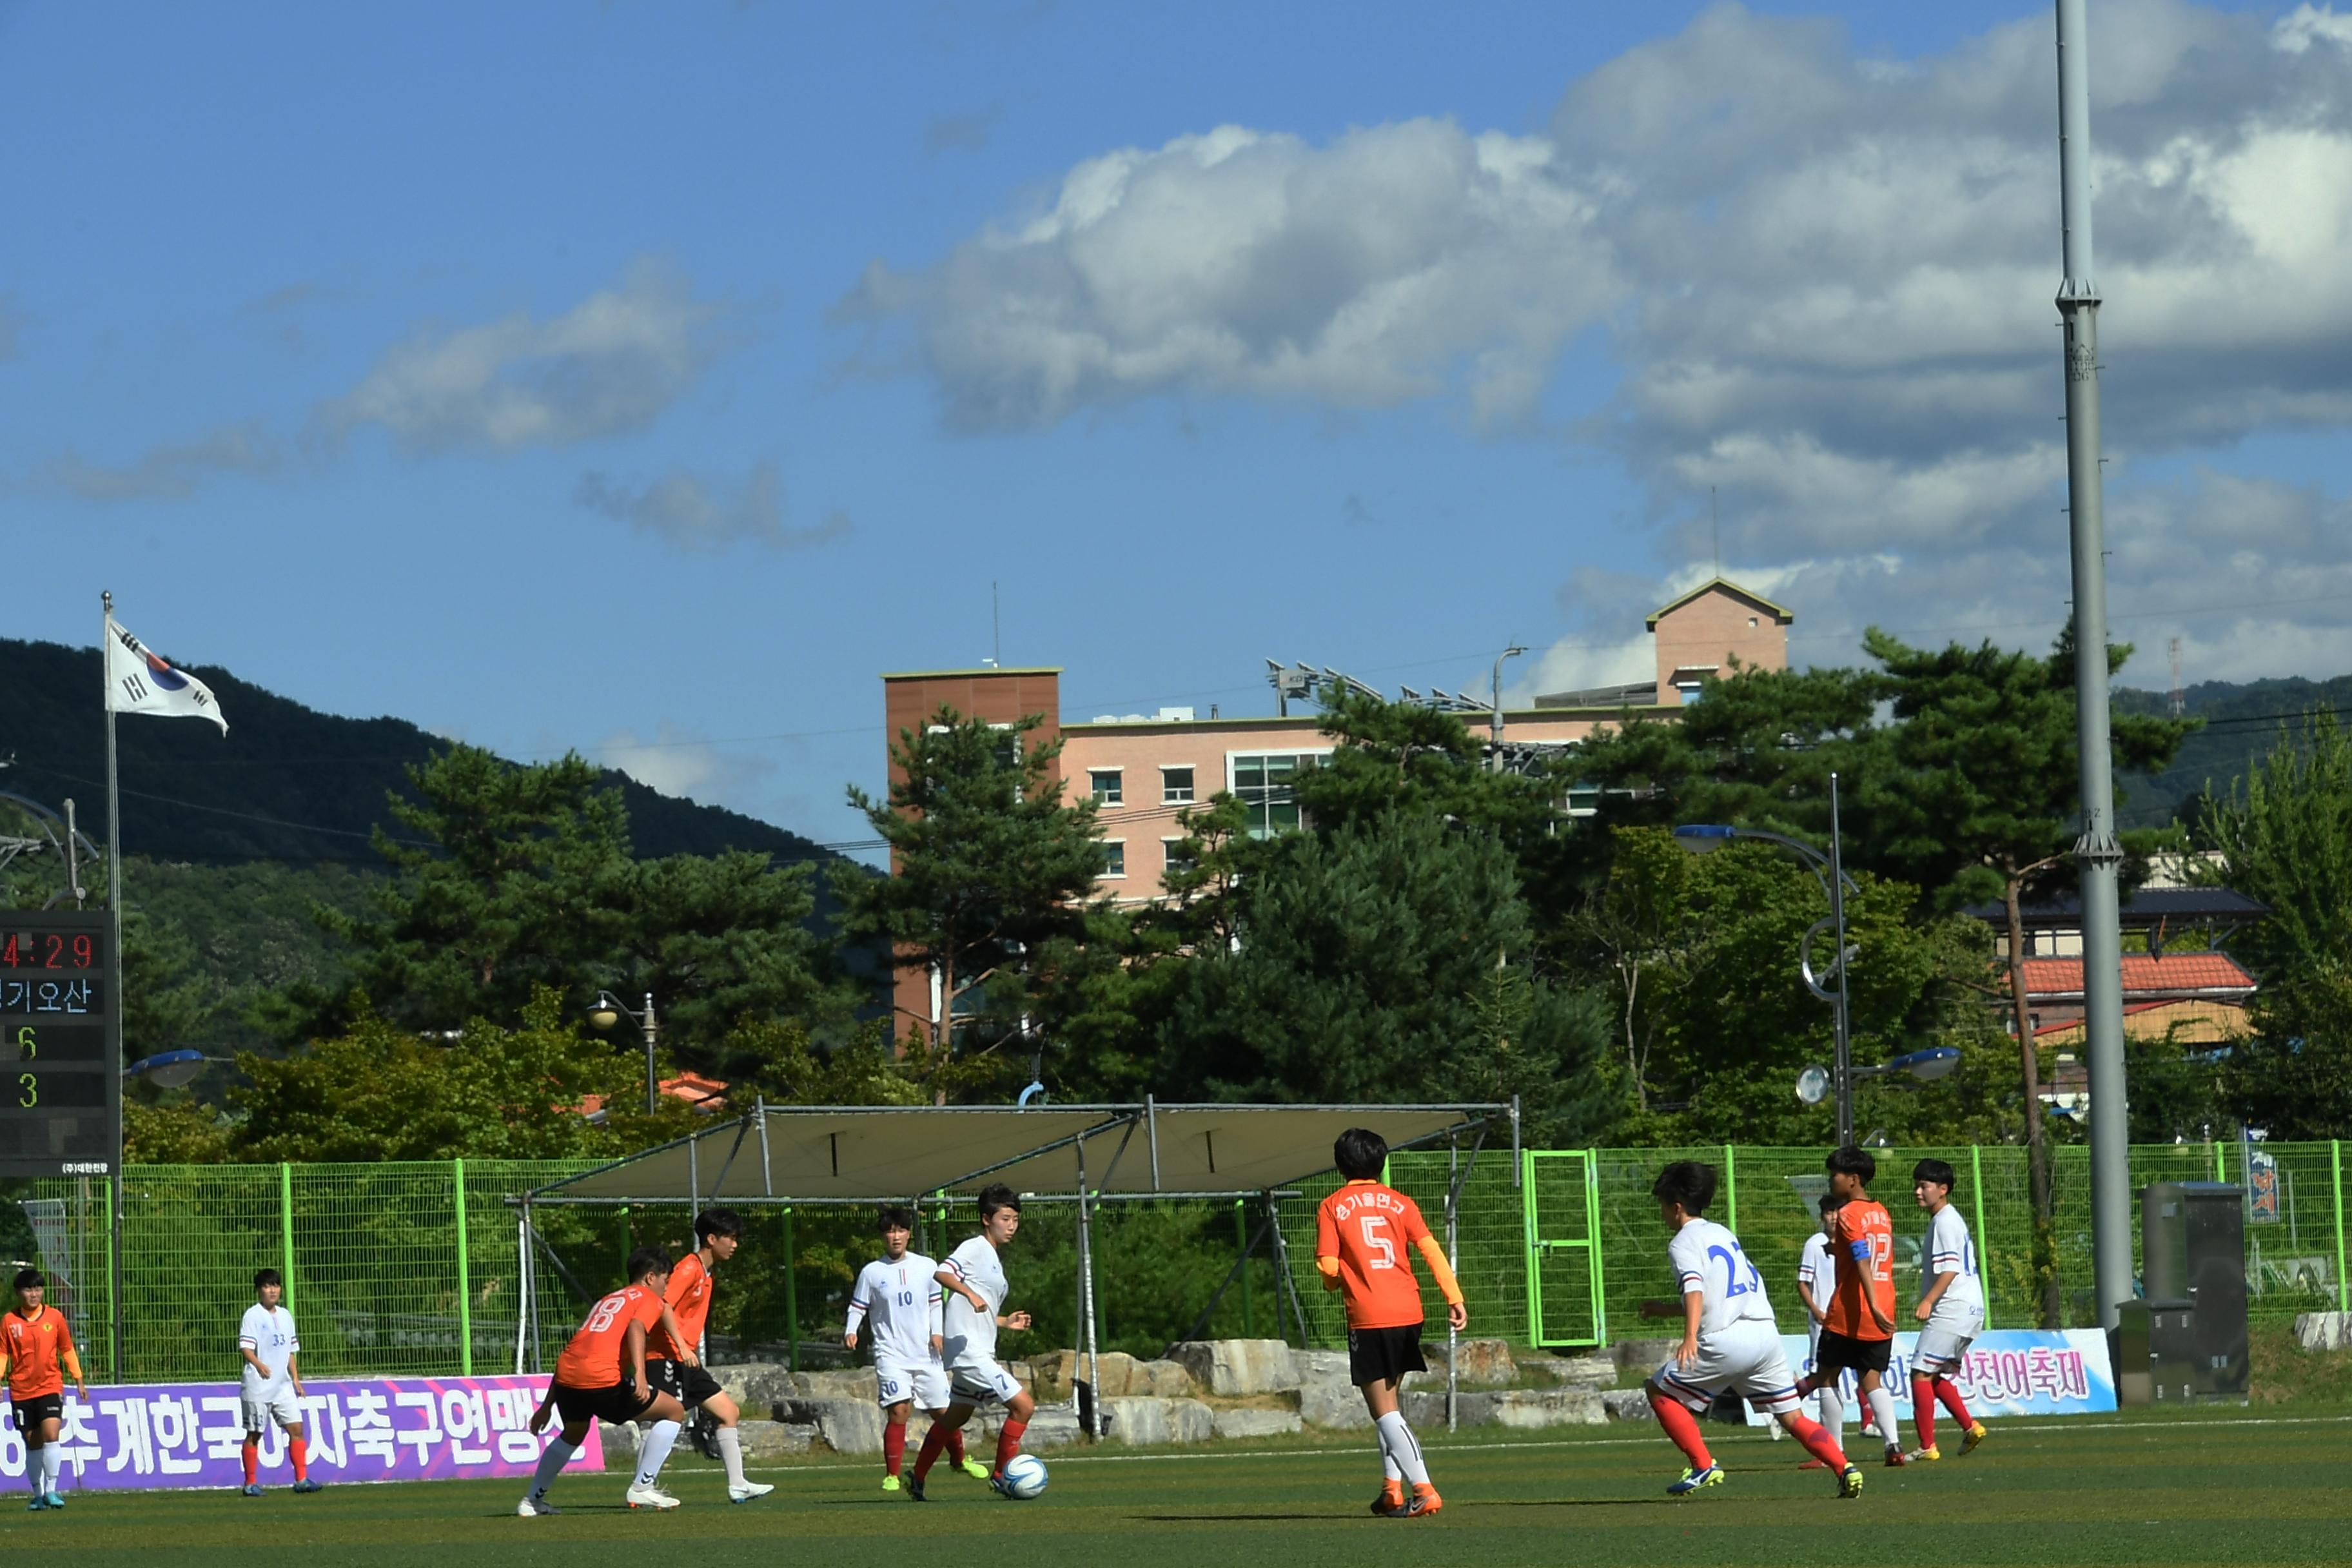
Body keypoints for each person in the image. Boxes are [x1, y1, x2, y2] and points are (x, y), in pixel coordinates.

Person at [1642, 1161, 1861, 1499]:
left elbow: (1695, 1289)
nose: (1662, 1214)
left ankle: (1703, 1464)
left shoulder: (1682, 1242)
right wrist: (1665, 1311)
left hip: (1726, 1340)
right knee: (1791, 1416)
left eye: (1662, 1206)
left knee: (1659, 1390)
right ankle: (1844, 1467)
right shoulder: (1722, 1233)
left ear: (1676, 1207)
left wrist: (1689, 1337)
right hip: (1765, 1336)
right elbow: (1718, 1295)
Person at [1314, 1127, 1465, 1520]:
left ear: (1340, 1165)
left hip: (1370, 1316)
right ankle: (1391, 1490)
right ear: (1381, 1162)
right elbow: (1430, 1248)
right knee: (1391, 1404)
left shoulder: (1333, 1205)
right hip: (1409, 1311)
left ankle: (1424, 1489)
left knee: (1383, 1412)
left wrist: (1334, 1280)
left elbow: (1329, 1266)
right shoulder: (1400, 1202)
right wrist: (1454, 1296)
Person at [520, 1247, 692, 1516]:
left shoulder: (608, 1300)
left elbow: (577, 1350)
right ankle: (642, 1486)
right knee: (674, 1411)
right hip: (600, 1379)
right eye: (665, 1280)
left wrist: (546, 1407)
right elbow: (637, 1327)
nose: (665, 1288)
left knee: (574, 1433)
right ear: (650, 1278)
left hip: (568, 1377)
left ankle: (531, 1501)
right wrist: (641, 1376)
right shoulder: (648, 1298)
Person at [636, 1208, 774, 1504]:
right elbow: (663, 1304)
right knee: (666, 1418)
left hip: (684, 1358)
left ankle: (738, 1485)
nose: (735, 1245)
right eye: (731, 1238)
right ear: (711, 1239)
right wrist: (683, 1346)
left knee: (728, 1413)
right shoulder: (689, 1267)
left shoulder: (706, 1273)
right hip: (666, 1356)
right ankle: (640, 1487)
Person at [908, 1184, 1034, 1502]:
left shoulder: (992, 1257)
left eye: (1015, 1219)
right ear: (986, 1219)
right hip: (970, 1355)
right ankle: (1000, 1476)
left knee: (954, 1419)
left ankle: (917, 1476)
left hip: (975, 1351)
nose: (1011, 1225)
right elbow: (942, 1272)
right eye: (1005, 1218)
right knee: (1024, 1406)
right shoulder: (976, 1247)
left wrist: (1004, 1321)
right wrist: (969, 1292)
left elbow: (979, 1309)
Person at [847, 1206, 986, 1493]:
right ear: (883, 1236)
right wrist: (851, 1330)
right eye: (889, 1231)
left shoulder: (926, 1266)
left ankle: (960, 1460)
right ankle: (893, 1475)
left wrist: (937, 1333)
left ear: (909, 1234)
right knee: (899, 1410)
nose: (895, 1237)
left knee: (945, 1413)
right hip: (891, 1354)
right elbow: (858, 1306)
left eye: (900, 1230)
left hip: (926, 1354)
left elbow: (936, 1303)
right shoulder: (872, 1272)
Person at [1818, 1145, 1905, 1466]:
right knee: (1872, 1380)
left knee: (1827, 1377)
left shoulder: (1848, 1212)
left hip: (1851, 1310)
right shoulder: (1881, 1211)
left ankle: (1834, 1453)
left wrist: (1869, 1303)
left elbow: (1861, 1257)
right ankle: (1893, 1445)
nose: (1831, 1180)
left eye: (1835, 1175)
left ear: (1852, 1179)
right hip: (1885, 1305)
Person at [1908, 1159, 1989, 1461]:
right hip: (1970, 1309)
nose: (1918, 1191)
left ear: (1943, 1190)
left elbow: (1949, 1269)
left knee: (1920, 1373)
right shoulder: (1948, 1218)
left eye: (1924, 1186)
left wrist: (1928, 1300)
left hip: (1952, 1308)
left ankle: (1927, 1446)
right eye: (1916, 1185)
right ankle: (1970, 1427)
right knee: (1935, 1375)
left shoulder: (1943, 1221)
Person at [0, 1269, 85, 1511]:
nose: (34, 1294)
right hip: (21, 1390)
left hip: (50, 1385)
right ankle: (37, 1495)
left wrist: (78, 1378)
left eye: (38, 1289)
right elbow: (3, 1353)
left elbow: (67, 1349)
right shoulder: (9, 1321)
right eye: (28, 1289)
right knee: (33, 1443)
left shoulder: (55, 1318)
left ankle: (52, 1490)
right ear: (19, 1293)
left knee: (51, 1434)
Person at [237, 1268, 322, 1496]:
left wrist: (295, 1379)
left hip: (282, 1385)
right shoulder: (252, 1315)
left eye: (275, 1285)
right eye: (267, 1286)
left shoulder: (285, 1316)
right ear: (259, 1291)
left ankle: (302, 1479)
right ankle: (250, 1483)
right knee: (254, 1433)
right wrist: (259, 1364)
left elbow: (291, 1351)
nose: (272, 1290)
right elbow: (245, 1347)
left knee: (296, 1428)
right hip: (258, 1385)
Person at [1792, 1193, 1848, 1467]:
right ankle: (1832, 1448)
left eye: (1838, 1211)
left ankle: (1889, 1442)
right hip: (1825, 1322)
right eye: (1829, 1212)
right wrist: (1817, 1311)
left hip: (1850, 1319)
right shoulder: (1815, 1245)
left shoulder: (1852, 1242)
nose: (1834, 1217)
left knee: (1865, 1376)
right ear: (1822, 1216)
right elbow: (1803, 1282)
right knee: (1825, 1378)